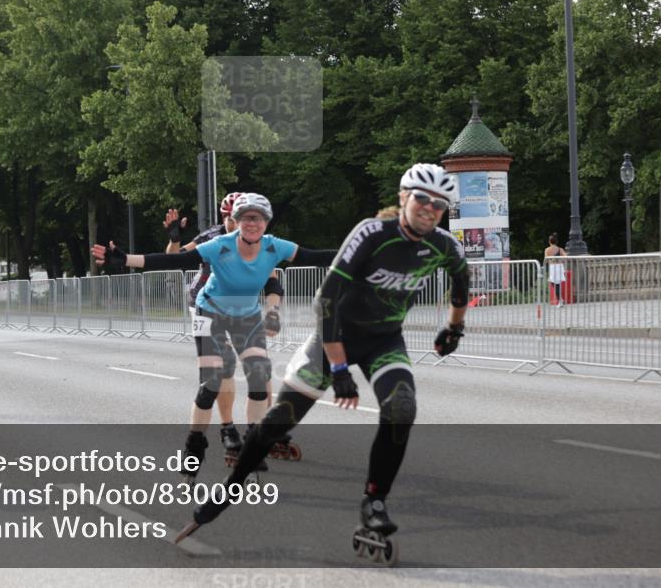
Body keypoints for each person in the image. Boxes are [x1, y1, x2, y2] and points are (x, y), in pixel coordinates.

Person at [176, 163, 470, 545]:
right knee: (276, 424)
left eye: (439, 204)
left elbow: (461, 282)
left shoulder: (444, 245)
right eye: (422, 199)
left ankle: (374, 502)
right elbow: (326, 299)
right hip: (334, 337)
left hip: (383, 342)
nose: (430, 208)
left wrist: (454, 327)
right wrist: (340, 367)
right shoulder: (372, 234)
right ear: (403, 198)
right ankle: (231, 488)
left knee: (402, 408)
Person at [93, 193, 334, 479]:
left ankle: (254, 444)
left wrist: (366, 254)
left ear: (267, 222)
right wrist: (125, 259)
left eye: (258, 219)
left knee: (260, 378)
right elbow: (176, 260)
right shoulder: (220, 244)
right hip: (209, 312)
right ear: (235, 221)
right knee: (212, 382)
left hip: (245, 316)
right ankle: (194, 444)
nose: (252, 224)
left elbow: (315, 257)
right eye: (245, 218)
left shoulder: (274, 246)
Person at [162, 194, 287, 462]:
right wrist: (174, 239)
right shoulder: (212, 238)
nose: (237, 224)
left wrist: (273, 310)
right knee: (225, 365)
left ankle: (263, 426)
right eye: (231, 219)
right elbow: (173, 258)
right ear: (224, 218)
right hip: (205, 304)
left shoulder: (257, 238)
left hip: (240, 308)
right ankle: (228, 428)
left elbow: (272, 278)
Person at [544, 233, 567, 307]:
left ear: (549, 241)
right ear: (556, 242)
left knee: (555, 284)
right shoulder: (560, 249)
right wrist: (559, 259)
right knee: (556, 284)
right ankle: (561, 299)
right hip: (559, 266)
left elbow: (546, 260)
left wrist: (548, 261)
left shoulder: (547, 249)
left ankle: (560, 301)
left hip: (553, 267)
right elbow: (565, 257)